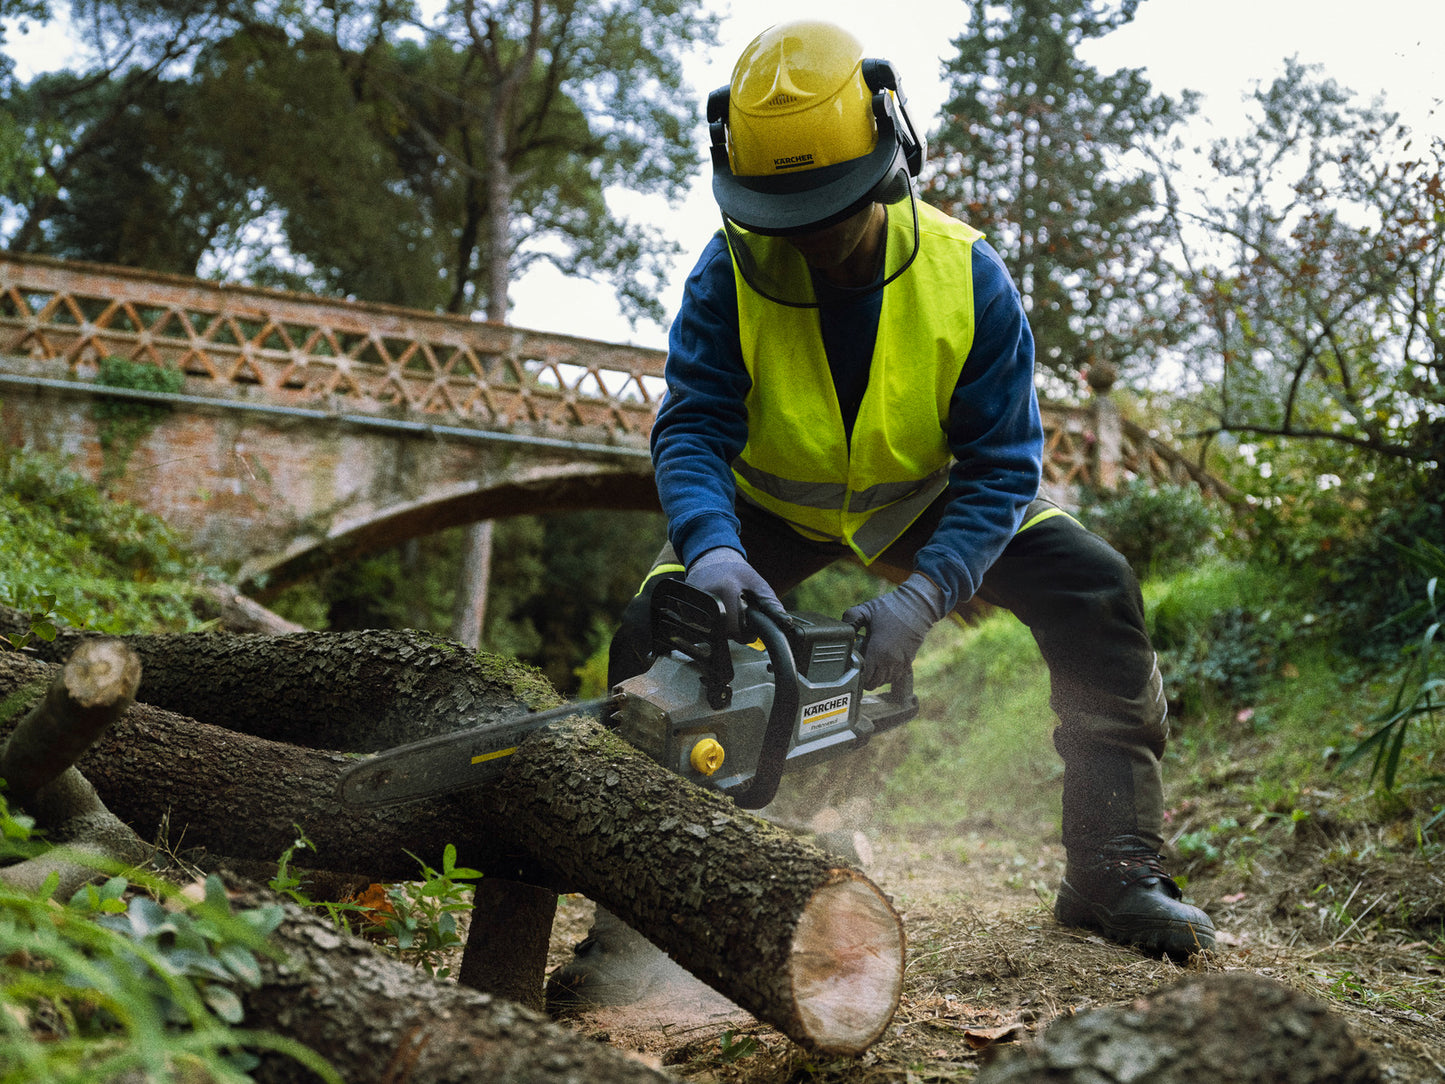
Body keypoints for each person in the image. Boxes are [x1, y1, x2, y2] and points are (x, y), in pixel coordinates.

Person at [548, 18, 1213, 1010]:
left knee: (1094, 589)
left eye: (833, 210)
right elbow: (688, 429)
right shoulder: (723, 273)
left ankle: (1111, 869)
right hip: (766, 505)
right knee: (654, 629)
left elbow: (999, 465)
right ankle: (640, 920)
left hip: (923, 497)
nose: (813, 237)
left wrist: (927, 592)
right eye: (786, 216)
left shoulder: (966, 274)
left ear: (891, 156)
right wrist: (712, 547)